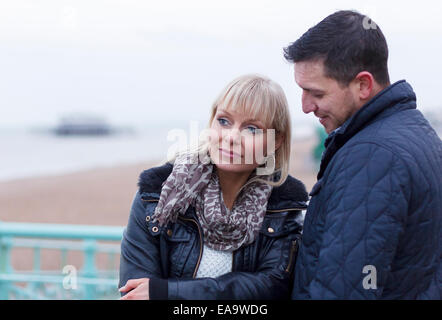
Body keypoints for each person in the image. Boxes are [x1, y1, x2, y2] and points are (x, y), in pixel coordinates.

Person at [283, 10, 442, 299]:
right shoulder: (419, 133)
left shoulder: (372, 157)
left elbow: (342, 290)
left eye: (316, 93)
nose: (305, 106)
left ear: (363, 85)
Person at [118, 74, 308, 299]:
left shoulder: (284, 209)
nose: (231, 137)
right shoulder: (157, 196)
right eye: (224, 121)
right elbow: (135, 293)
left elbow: (270, 289)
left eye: (252, 129)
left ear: (276, 141)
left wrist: (168, 293)